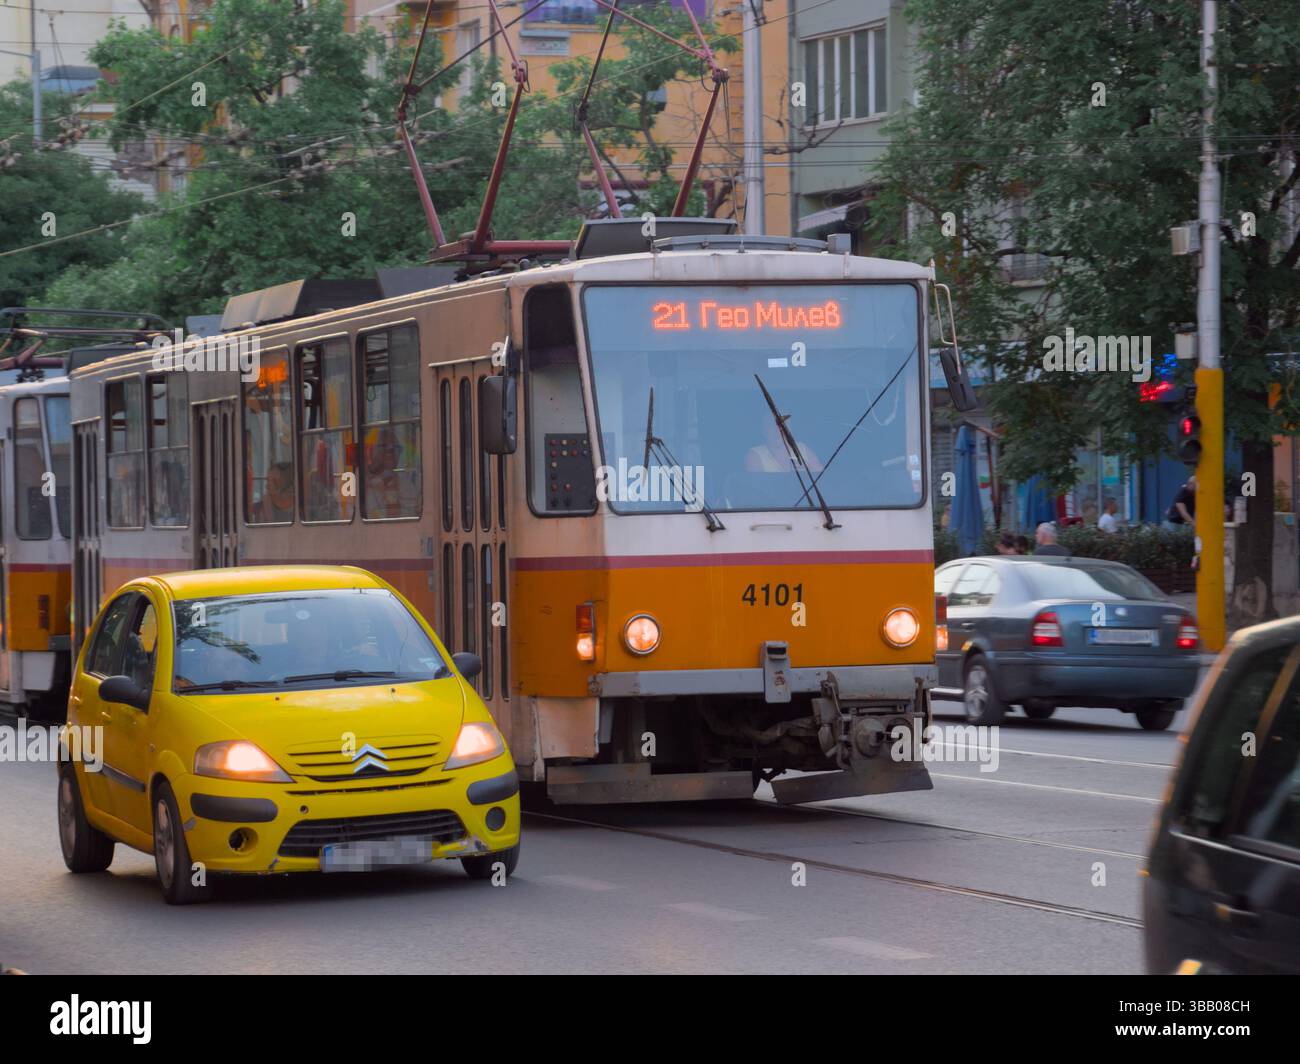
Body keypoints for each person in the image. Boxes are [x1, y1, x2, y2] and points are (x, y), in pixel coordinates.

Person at [745, 418, 823, 474]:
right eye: (772, 425)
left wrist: (809, 471)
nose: (779, 429)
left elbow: (823, 480)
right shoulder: (755, 455)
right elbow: (757, 490)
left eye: (784, 424)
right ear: (764, 430)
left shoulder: (802, 449)